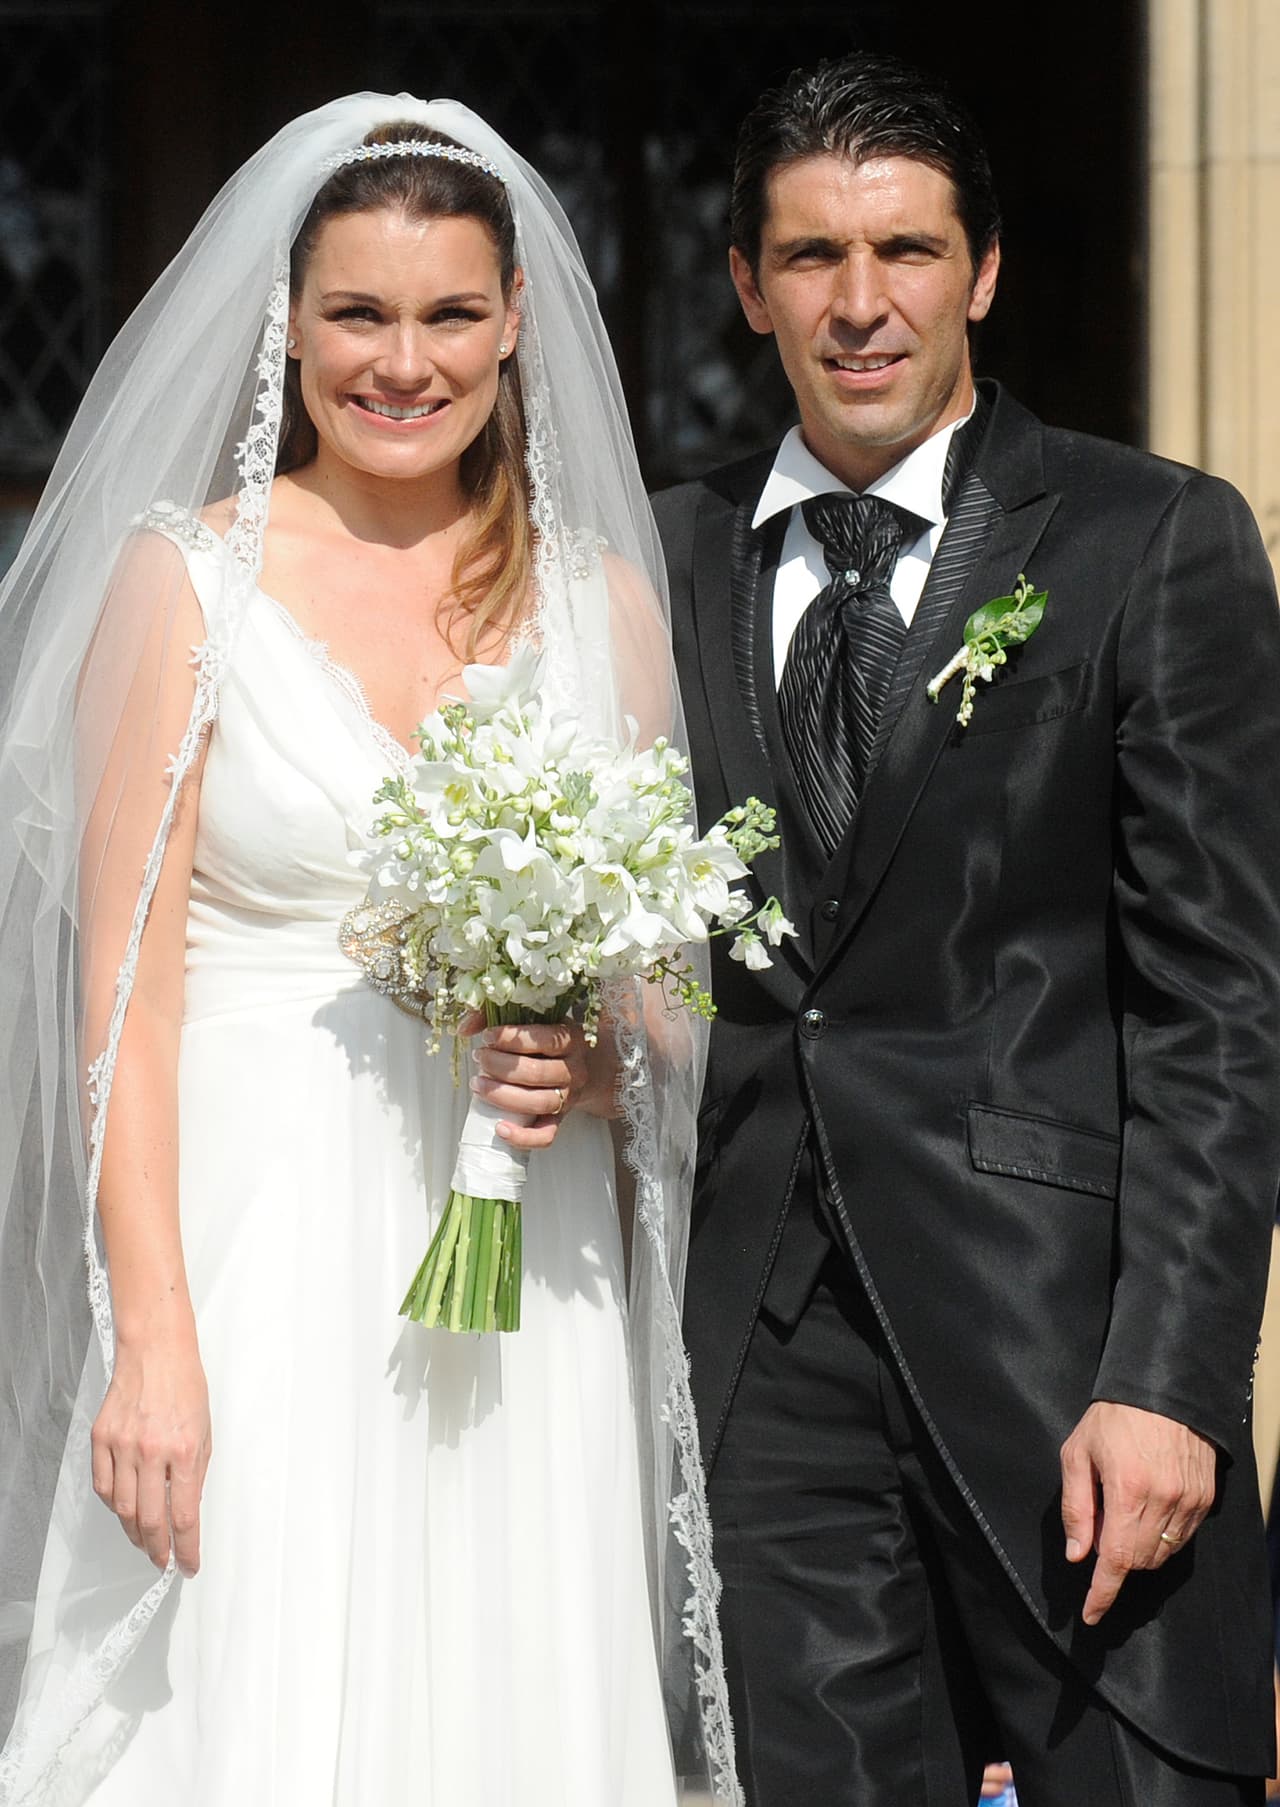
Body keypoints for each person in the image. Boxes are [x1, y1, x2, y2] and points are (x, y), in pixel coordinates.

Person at [0, 97, 738, 1805]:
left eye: (448, 314)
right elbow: (121, 997)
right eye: (358, 313)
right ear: (289, 327)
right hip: (263, 1250)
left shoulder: (600, 605)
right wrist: (156, 1339)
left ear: (514, 328)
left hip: (525, 1269)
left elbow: (678, 1000)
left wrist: (601, 1050)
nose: (402, 361)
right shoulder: (185, 586)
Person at [653, 49, 1280, 1807]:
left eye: (909, 253)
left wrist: (1173, 1378)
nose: (863, 307)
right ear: (747, 286)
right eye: (811, 259)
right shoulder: (664, 552)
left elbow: (1224, 1001)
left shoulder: (1153, 539)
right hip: (766, 1366)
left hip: (1060, 1356)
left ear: (982, 273)